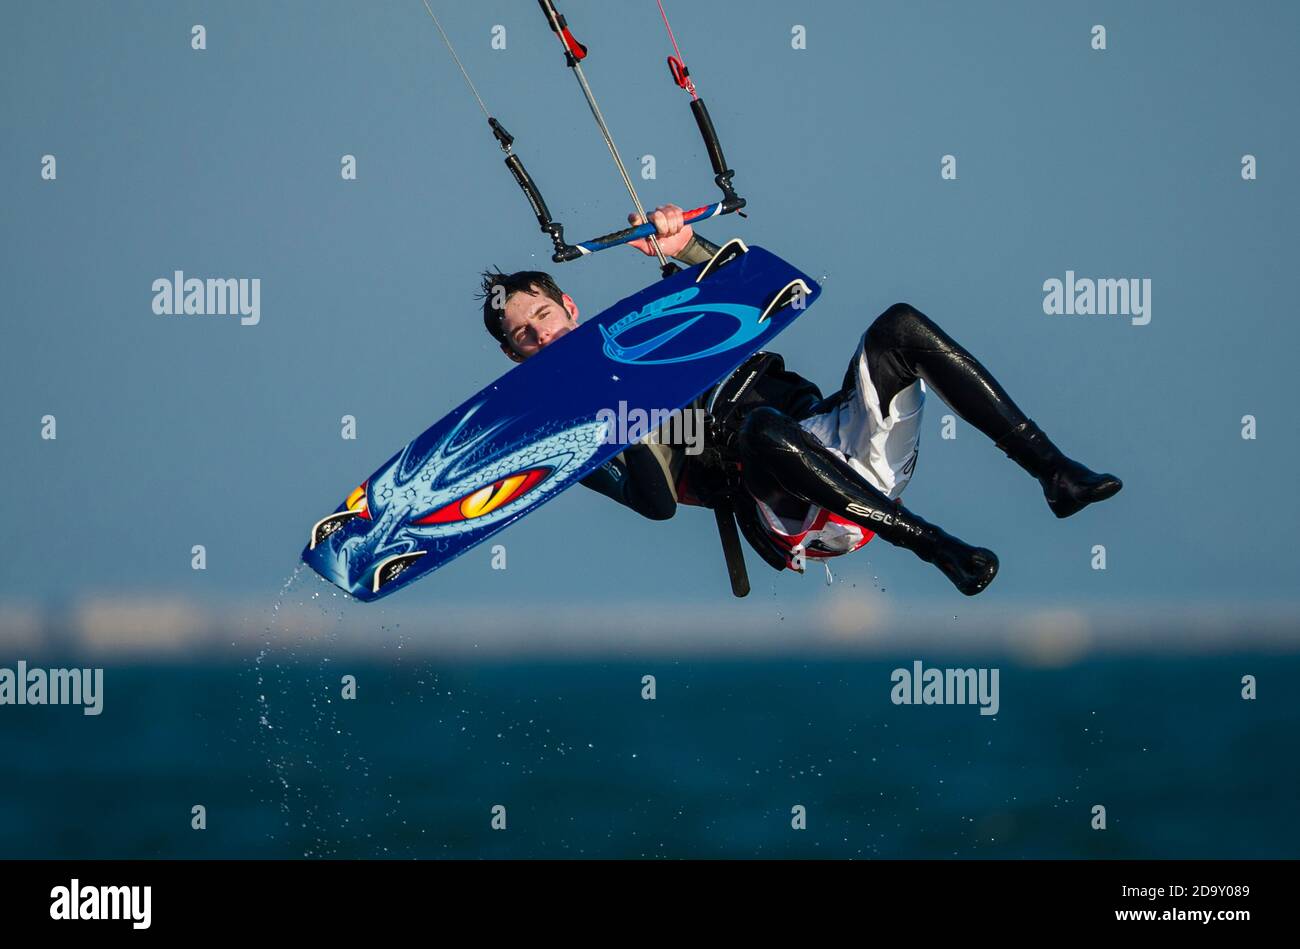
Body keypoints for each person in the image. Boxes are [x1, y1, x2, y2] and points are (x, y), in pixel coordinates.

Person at [478, 205, 1122, 595]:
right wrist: (614, 420)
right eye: (524, 337)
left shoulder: (653, 332)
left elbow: (746, 295)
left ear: (570, 306)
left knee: (898, 327)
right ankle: (939, 547)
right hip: (797, 511)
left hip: (840, 437)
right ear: (516, 358)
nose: (541, 334)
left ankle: (1055, 473)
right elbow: (654, 504)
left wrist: (681, 248)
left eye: (543, 314)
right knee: (758, 429)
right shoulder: (572, 434)